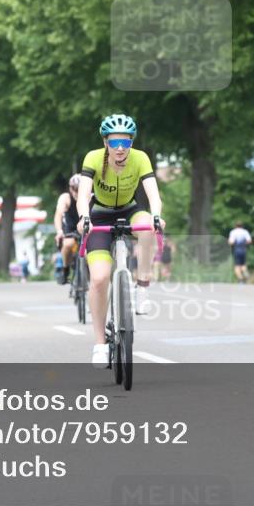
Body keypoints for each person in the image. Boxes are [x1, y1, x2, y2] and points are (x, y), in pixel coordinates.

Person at [75, 114, 164, 368]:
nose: (121, 148)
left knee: (147, 225)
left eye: (126, 142)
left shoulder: (140, 158)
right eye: (115, 143)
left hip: (129, 209)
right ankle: (100, 344)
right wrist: (84, 217)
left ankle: (143, 286)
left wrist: (157, 215)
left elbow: (153, 195)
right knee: (100, 278)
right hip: (99, 214)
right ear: (105, 143)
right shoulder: (92, 158)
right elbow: (83, 195)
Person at [54, 174, 84, 285]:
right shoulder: (65, 198)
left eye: (79, 189)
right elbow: (58, 215)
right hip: (70, 228)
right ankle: (65, 269)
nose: (76, 192)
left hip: (85, 227)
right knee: (68, 244)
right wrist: (59, 231)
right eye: (74, 189)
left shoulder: (89, 196)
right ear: (70, 188)